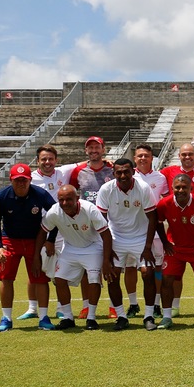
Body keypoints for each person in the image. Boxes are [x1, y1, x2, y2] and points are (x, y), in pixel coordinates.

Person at [33, 185, 113, 330]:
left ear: (77, 198)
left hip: (93, 247)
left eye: (69, 199)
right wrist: (36, 256)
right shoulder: (54, 212)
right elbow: (42, 232)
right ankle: (68, 318)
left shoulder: (89, 209)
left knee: (94, 279)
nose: (64, 203)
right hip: (70, 247)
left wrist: (106, 260)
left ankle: (91, 318)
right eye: (61, 200)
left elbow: (106, 235)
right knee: (59, 279)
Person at [0, 163, 56, 332]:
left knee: (40, 278)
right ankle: (6, 318)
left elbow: (57, 215)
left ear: (30, 180)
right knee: (6, 278)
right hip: (10, 240)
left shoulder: (40, 194)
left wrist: (50, 240)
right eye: (17, 180)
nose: (21, 183)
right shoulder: (0, 196)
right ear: (11, 180)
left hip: (35, 240)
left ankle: (43, 317)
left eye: (24, 180)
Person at [95, 158, 158, 330]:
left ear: (133, 172)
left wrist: (147, 248)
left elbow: (153, 218)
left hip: (140, 237)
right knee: (112, 276)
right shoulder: (106, 189)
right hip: (116, 238)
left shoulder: (143, 188)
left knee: (148, 273)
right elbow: (102, 222)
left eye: (126, 171)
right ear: (113, 173)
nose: (123, 175)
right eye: (119, 172)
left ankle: (149, 316)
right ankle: (121, 316)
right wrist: (106, 252)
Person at [27, 144, 82, 320]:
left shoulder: (63, 172)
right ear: (37, 161)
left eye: (50, 159)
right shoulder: (30, 178)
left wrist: (105, 160)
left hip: (61, 229)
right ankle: (32, 308)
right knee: (35, 269)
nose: (47, 162)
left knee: (60, 270)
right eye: (43, 159)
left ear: (56, 160)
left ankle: (60, 307)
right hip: (38, 229)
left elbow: (82, 164)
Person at [155, 174, 194, 329]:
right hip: (175, 249)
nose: (181, 190)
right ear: (172, 188)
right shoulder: (164, 203)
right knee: (167, 279)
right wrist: (165, 242)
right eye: (177, 187)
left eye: (184, 187)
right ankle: (167, 317)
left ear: (191, 188)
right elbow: (158, 223)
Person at [160, 143, 194, 316]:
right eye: (184, 154)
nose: (187, 157)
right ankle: (174, 307)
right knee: (173, 276)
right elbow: (146, 175)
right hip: (175, 237)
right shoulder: (168, 172)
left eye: (190, 154)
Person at [68, 136, 114, 319]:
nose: (94, 150)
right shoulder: (78, 171)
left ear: (103, 149)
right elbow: (71, 194)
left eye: (97, 147)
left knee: (111, 265)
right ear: (86, 151)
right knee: (86, 268)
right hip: (85, 225)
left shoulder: (112, 169)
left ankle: (113, 305)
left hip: (109, 224)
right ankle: (86, 305)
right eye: (90, 148)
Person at [132, 143, 169, 319]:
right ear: (135, 159)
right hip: (134, 230)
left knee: (158, 267)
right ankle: (133, 303)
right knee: (134, 268)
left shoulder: (160, 177)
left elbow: (165, 200)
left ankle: (155, 304)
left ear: (152, 158)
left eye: (146, 155)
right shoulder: (128, 176)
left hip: (155, 230)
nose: (143, 158)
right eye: (139, 156)